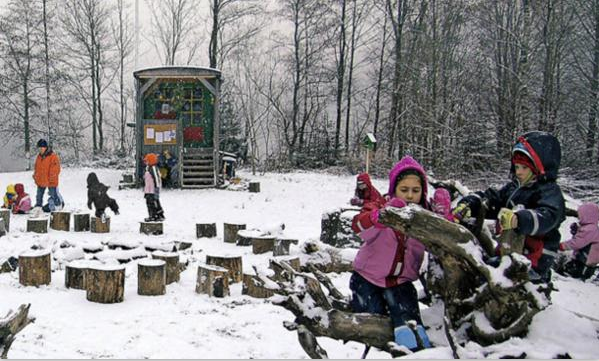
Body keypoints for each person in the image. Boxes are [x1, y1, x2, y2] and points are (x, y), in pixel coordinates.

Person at [452, 131, 565, 284]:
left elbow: (549, 216)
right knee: (479, 271)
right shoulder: (514, 189)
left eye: (524, 168)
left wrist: (520, 219)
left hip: (535, 259)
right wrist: (472, 203)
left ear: (538, 168)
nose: (518, 172)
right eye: (516, 167)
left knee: (489, 278)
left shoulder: (549, 191)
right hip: (509, 252)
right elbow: (493, 200)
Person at [350, 155, 432, 352]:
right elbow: (359, 226)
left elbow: (442, 241)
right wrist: (380, 217)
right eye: (404, 190)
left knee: (408, 322)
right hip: (367, 278)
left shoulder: (424, 217)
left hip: (401, 282)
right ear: (394, 189)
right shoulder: (381, 208)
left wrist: (443, 215)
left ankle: (415, 352)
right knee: (375, 322)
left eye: (416, 190)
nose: (410, 195)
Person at [558, 203, 599, 280]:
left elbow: (577, 243)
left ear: (588, 215)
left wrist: (562, 246)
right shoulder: (590, 227)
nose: (579, 217)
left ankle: (576, 273)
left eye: (580, 215)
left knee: (571, 268)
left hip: (585, 261)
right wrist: (576, 232)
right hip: (584, 259)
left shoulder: (590, 229)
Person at [32, 138, 63, 213]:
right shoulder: (39, 157)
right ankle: (38, 206)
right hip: (41, 179)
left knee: (53, 194)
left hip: (51, 180)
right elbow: (36, 167)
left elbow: (55, 169)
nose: (40, 149)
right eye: (39, 148)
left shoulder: (53, 156)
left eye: (42, 147)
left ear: (45, 147)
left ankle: (58, 205)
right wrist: (35, 176)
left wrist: (52, 178)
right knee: (39, 195)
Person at [143, 153, 165, 222]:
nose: (145, 162)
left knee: (153, 202)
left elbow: (156, 178)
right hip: (148, 190)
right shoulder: (148, 168)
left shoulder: (153, 168)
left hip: (153, 190)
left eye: (147, 160)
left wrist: (157, 188)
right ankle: (155, 215)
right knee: (150, 202)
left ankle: (155, 215)